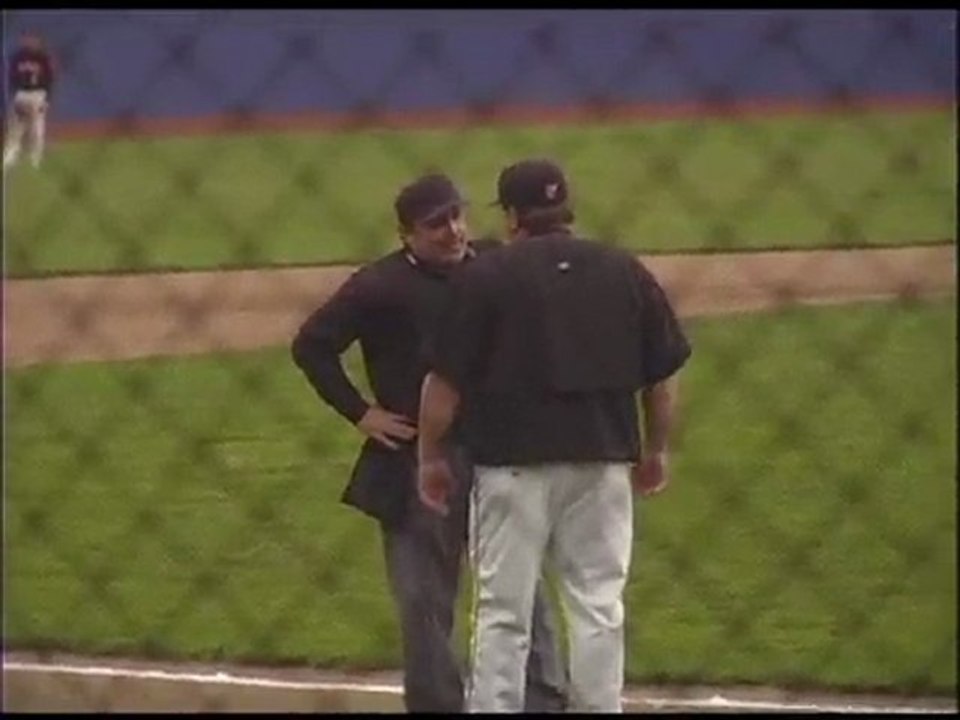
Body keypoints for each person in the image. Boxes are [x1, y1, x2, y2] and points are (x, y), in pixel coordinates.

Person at [416, 159, 692, 712]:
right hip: (602, 462)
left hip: (512, 468)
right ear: (566, 207)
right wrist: (655, 449)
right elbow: (661, 380)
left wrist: (429, 457)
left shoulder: (485, 277)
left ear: (514, 215)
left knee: (503, 612)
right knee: (598, 606)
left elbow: (442, 385)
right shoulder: (623, 270)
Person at [291, 172, 568, 713]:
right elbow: (312, 345)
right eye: (436, 223)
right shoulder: (380, 286)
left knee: (521, 585)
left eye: (458, 216)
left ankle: (543, 700)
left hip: (499, 451)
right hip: (416, 461)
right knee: (424, 602)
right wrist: (362, 413)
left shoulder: (492, 264)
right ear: (406, 234)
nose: (453, 230)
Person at [4, 32, 56, 170]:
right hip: (22, 94)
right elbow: (12, 77)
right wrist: (14, 95)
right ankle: (11, 155)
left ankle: (36, 157)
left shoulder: (43, 58)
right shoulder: (17, 57)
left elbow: (49, 79)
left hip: (38, 94)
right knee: (16, 128)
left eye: (33, 40)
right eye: (27, 39)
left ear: (38, 42)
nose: (30, 42)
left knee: (37, 128)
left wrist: (47, 98)